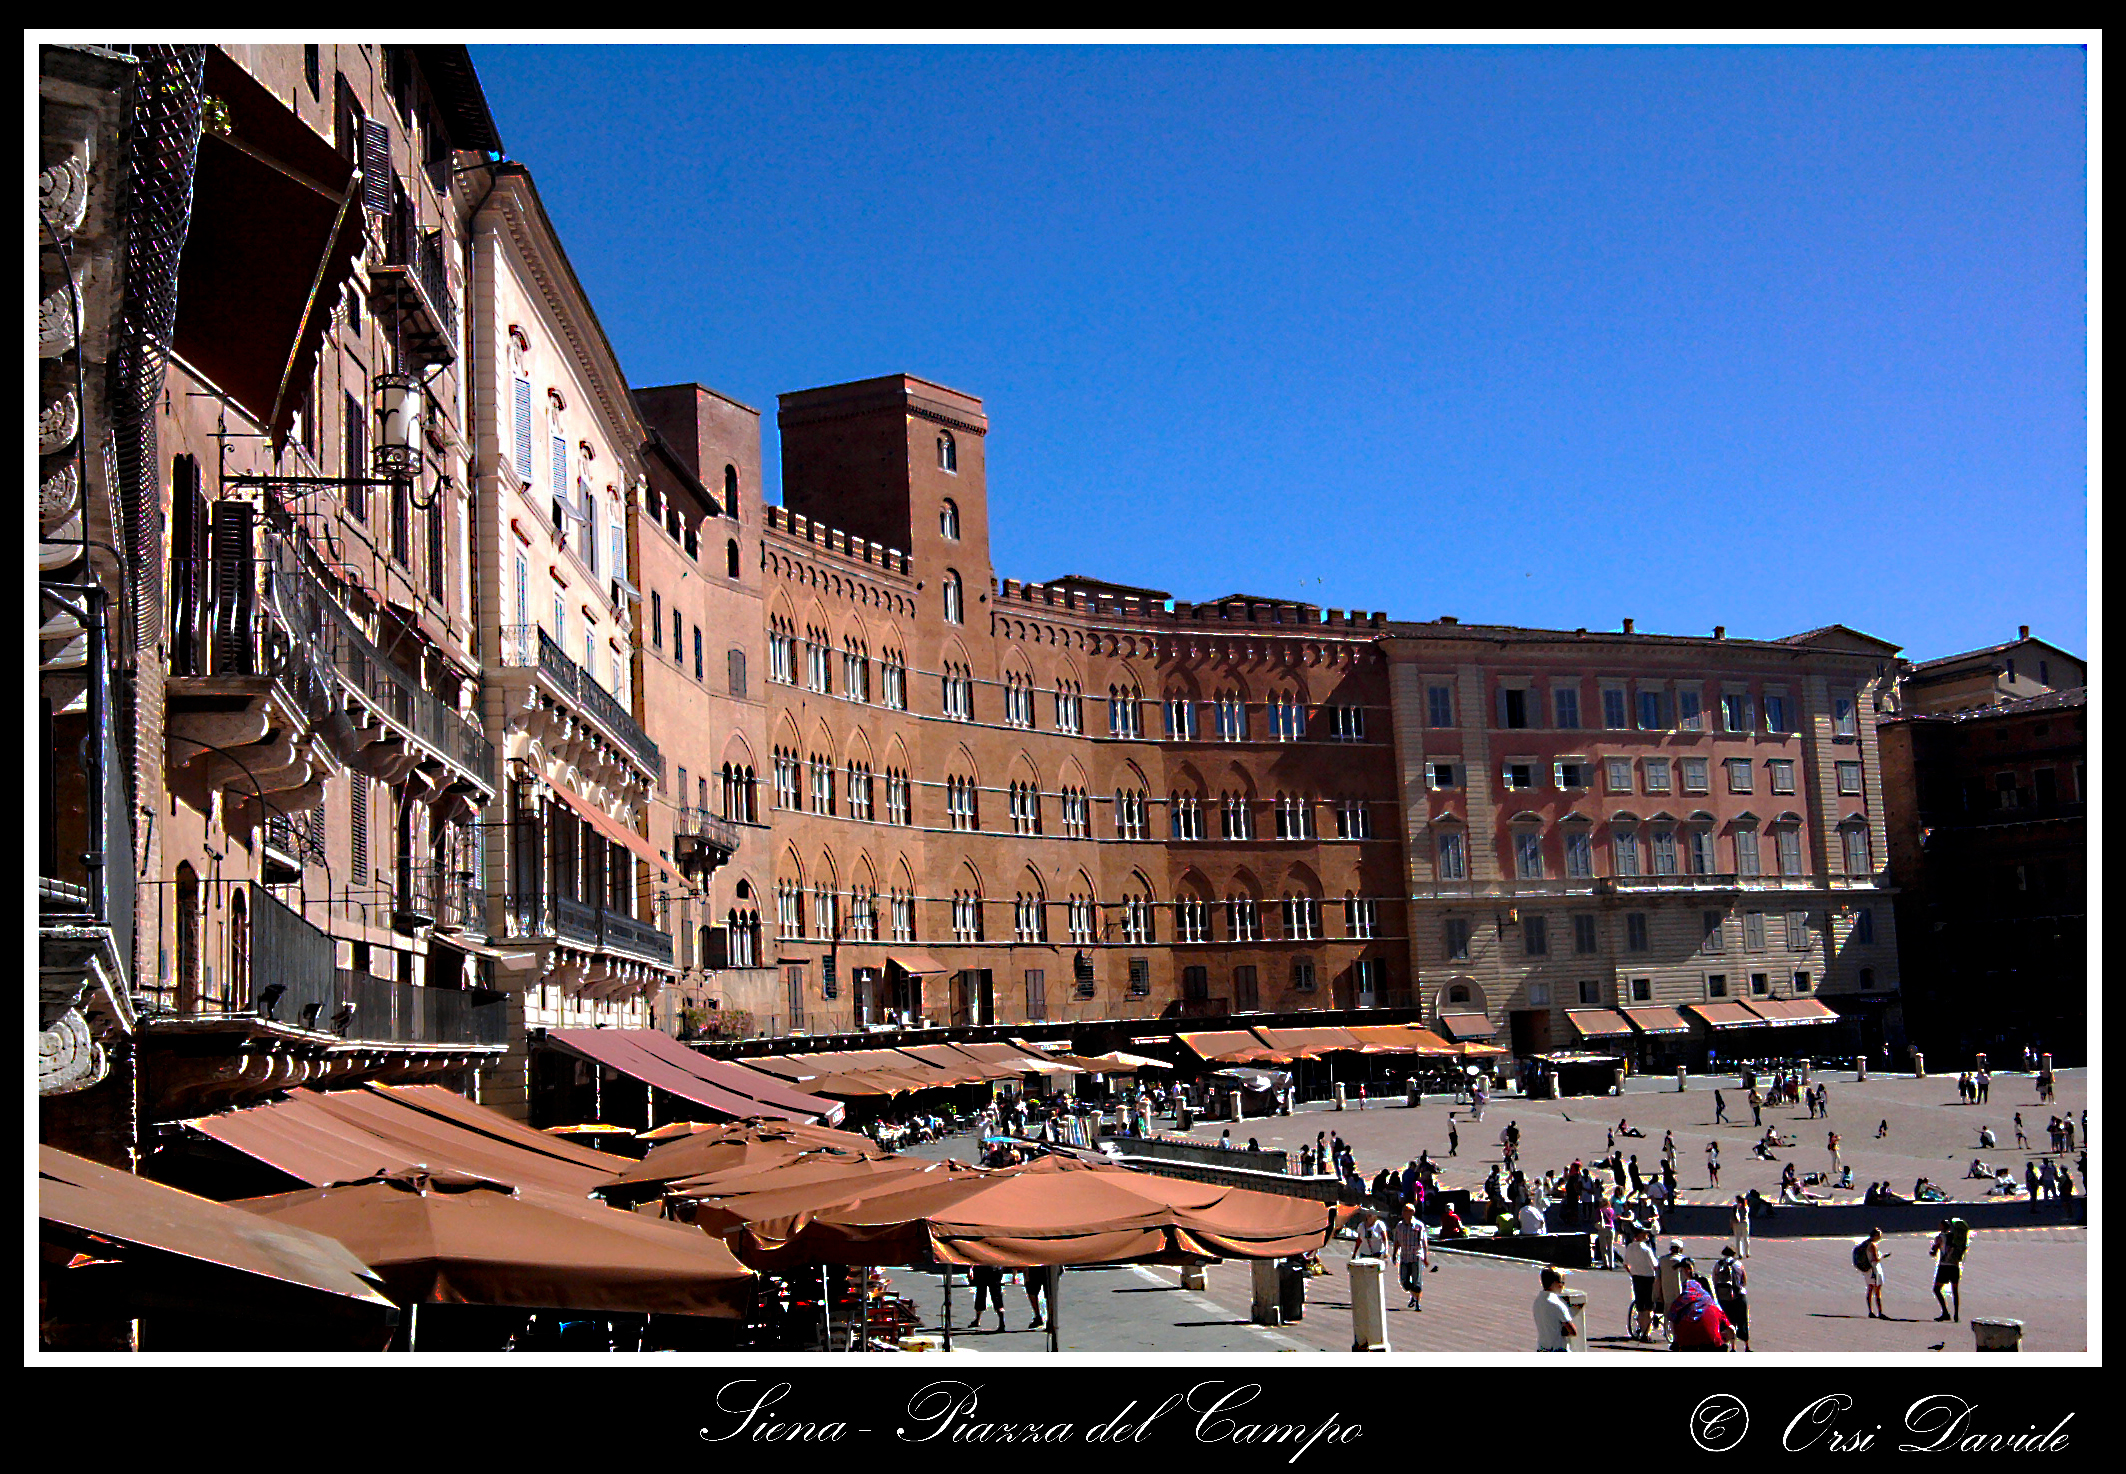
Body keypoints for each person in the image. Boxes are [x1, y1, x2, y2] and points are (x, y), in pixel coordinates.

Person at [1667, 1266, 1732, 1351]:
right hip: (1711, 1342)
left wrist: (1676, 1341)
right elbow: (1731, 1329)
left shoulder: (1679, 1303)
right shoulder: (1711, 1305)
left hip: (1686, 1342)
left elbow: (1671, 1319)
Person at [1390, 1201, 1432, 1310]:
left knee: (1416, 1282)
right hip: (1404, 1256)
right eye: (1404, 1211)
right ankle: (1413, 1295)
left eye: (1408, 1211)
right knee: (1404, 1282)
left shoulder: (1419, 1226)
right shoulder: (1399, 1226)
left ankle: (1417, 1302)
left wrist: (1426, 1257)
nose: (1406, 1213)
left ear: (1413, 1212)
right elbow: (1397, 1241)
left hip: (1416, 1256)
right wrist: (1394, 1254)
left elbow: (1424, 1242)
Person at [1622, 1227, 1660, 1341]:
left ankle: (1643, 1331)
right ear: (1640, 1235)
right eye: (1645, 1234)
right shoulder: (1646, 1249)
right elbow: (1655, 1265)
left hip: (1636, 1277)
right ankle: (1647, 1333)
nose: (1646, 1236)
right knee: (1648, 1306)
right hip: (1649, 1278)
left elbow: (1625, 1264)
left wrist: (1632, 1273)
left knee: (1640, 1306)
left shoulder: (1629, 1247)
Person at [1930, 1217, 1970, 1321]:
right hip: (1955, 1266)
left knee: (1937, 1289)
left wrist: (1933, 1251)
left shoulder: (1941, 1237)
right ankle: (1956, 1315)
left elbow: (1934, 1251)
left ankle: (1945, 1313)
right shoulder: (1956, 1237)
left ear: (1942, 1226)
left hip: (1944, 1266)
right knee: (1955, 1290)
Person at [1713, 1245, 1750, 1350]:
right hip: (1739, 1295)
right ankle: (1746, 1345)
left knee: (1729, 1322)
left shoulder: (1718, 1265)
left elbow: (1715, 1281)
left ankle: (1732, 1346)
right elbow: (1744, 1281)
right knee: (1742, 1320)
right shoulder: (1738, 1264)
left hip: (1724, 1297)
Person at [1534, 1266, 1578, 1352]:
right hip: (1557, 1348)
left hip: (1542, 1347)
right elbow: (1572, 1331)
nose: (1563, 1286)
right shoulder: (1557, 1304)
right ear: (1557, 1283)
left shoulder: (1537, 1301)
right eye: (1562, 1283)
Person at [1858, 1227, 1889, 1318]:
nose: (1880, 1237)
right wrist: (1883, 1256)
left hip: (1867, 1270)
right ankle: (1880, 1312)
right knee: (1877, 1290)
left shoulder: (1864, 1244)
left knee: (1870, 1289)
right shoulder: (1872, 1245)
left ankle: (1870, 1311)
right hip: (1874, 1269)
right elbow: (1876, 1258)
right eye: (1879, 1235)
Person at [968, 1263, 1007, 1331]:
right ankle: (1001, 1321)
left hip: (982, 1269)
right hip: (996, 1268)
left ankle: (977, 1319)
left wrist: (970, 1269)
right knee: (996, 1295)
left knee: (980, 1293)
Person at [1730, 1193, 1750, 1259]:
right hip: (1745, 1222)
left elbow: (1733, 1215)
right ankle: (1747, 1253)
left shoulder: (1735, 1207)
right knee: (1746, 1238)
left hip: (1737, 1223)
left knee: (1738, 1239)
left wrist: (1732, 1223)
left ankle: (1739, 1254)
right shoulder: (1746, 1206)